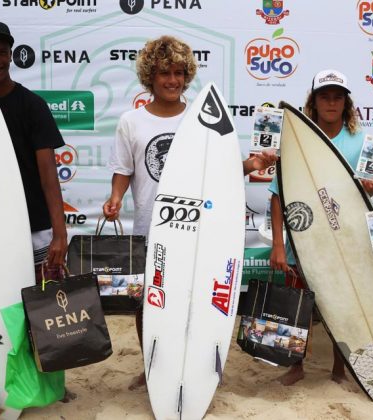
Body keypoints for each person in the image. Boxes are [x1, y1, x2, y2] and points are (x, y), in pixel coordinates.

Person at [102, 35, 277, 390]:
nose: (172, 81)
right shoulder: (131, 122)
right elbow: (123, 170)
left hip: (199, 230)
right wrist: (115, 198)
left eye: (179, 73)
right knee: (149, 304)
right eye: (165, 73)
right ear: (150, 76)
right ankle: (153, 366)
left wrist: (251, 164)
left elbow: (222, 170)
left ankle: (196, 366)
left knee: (195, 299)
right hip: (151, 228)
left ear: (187, 76)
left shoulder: (203, 121)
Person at [268, 69, 373, 386]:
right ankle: (295, 365)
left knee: (343, 306)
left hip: (346, 241)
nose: (331, 102)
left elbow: (367, 195)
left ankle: (340, 367)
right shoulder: (297, 140)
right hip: (302, 241)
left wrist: (369, 189)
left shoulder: (362, 142)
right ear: (313, 101)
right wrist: (278, 244)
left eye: (338, 97)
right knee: (298, 306)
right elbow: (277, 194)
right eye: (324, 96)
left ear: (346, 103)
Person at [0, 20, 68, 283]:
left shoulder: (32, 106)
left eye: (1, 52)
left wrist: (60, 234)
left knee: (38, 308)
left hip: (33, 226)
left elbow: (49, 177)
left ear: (11, 56)